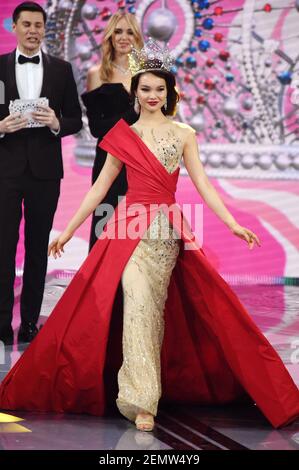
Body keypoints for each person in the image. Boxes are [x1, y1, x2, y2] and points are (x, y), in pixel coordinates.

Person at [0, 40, 298, 433]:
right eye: (145, 88)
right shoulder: (123, 136)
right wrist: (69, 230)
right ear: (135, 91)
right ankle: (140, 400)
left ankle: (153, 386)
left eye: (160, 89)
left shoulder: (184, 134)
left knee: (154, 311)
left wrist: (232, 224)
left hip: (166, 234)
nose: (153, 95)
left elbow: (204, 185)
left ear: (169, 91)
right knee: (137, 306)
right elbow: (99, 189)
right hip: (126, 231)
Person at [0, 2, 82, 345]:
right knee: (3, 248)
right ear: (14, 27)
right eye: (27, 24)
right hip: (6, 169)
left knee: (37, 249)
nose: (33, 30)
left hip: (46, 173)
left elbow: (76, 119)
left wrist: (57, 123)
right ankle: (2, 323)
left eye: (39, 25)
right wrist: (0, 126)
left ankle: (30, 322)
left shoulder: (62, 70)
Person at [81, 12, 143, 251]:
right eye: (118, 31)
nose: (124, 37)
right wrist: (133, 111)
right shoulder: (97, 74)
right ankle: (102, 287)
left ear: (137, 37)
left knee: (139, 231)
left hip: (142, 162)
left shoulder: (147, 74)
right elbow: (98, 129)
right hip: (109, 162)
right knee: (105, 227)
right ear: (109, 36)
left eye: (130, 32)